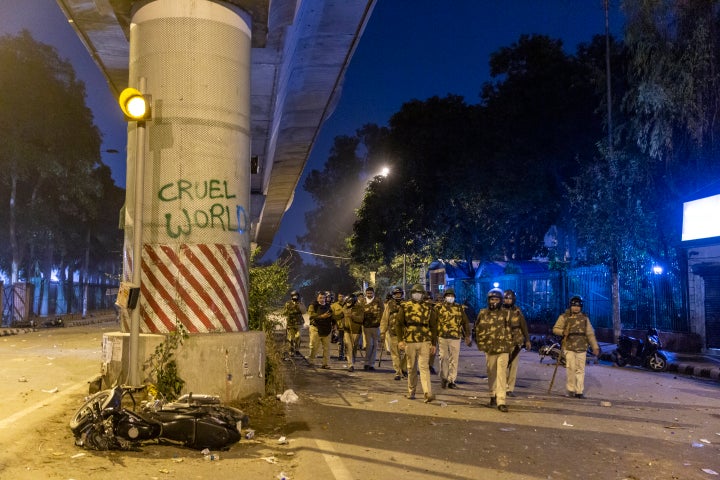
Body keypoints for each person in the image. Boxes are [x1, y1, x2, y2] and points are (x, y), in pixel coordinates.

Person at [395, 283, 438, 403]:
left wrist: (434, 343)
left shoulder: (429, 308)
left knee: (424, 367)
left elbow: (434, 327)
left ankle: (427, 393)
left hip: (425, 341)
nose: (417, 295)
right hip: (409, 341)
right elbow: (398, 324)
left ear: (423, 294)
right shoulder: (405, 306)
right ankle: (411, 391)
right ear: (411, 294)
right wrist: (400, 340)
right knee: (411, 368)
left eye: (419, 293)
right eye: (415, 292)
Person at [552, 296, 600, 398]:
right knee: (570, 368)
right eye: (574, 306)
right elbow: (555, 329)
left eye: (578, 306)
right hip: (569, 347)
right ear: (570, 306)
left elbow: (590, 333)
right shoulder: (564, 317)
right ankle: (570, 389)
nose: (576, 308)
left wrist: (595, 347)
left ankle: (579, 391)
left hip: (582, 348)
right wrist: (562, 332)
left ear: (581, 307)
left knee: (580, 370)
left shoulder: (585, 319)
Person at [474, 288, 513, 412]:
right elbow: (476, 329)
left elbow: (513, 329)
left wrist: (513, 344)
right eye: (492, 299)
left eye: (496, 299)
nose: (494, 302)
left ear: (501, 301)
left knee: (502, 374)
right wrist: (481, 345)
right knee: (491, 373)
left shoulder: (506, 314)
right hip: (490, 349)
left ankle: (501, 400)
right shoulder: (483, 313)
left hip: (503, 348)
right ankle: (492, 394)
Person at [435, 288, 472, 389]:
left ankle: (451, 380)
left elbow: (465, 322)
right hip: (442, 337)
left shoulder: (459, 308)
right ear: (445, 297)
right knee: (443, 358)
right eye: (448, 295)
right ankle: (443, 377)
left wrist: (467, 336)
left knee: (454, 359)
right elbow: (434, 323)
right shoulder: (438, 308)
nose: (450, 297)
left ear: (454, 297)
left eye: (452, 296)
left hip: (455, 337)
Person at [503, 289, 532, 397]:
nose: (508, 300)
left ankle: (510, 388)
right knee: (504, 364)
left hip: (516, 342)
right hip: (503, 341)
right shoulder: (499, 311)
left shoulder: (517, 311)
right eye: (506, 298)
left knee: (513, 366)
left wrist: (527, 340)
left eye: (510, 298)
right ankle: (503, 386)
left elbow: (523, 325)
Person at [380, 286, 407, 380]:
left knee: (407, 354)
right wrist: (382, 331)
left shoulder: (407, 304)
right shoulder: (389, 304)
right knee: (395, 354)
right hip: (393, 333)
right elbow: (384, 318)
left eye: (399, 294)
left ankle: (404, 369)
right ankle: (398, 372)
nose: (398, 295)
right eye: (396, 294)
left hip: (405, 334)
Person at [359, 286, 384, 371]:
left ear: (373, 293)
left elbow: (382, 312)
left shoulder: (378, 301)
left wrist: (382, 324)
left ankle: (371, 364)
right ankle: (366, 363)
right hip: (366, 326)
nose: (369, 294)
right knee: (369, 345)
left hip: (376, 326)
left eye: (371, 293)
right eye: (368, 293)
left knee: (375, 345)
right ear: (366, 293)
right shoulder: (362, 301)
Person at [307, 292, 335, 368]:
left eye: (323, 298)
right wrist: (322, 316)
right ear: (317, 298)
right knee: (314, 347)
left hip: (327, 329)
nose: (322, 299)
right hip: (316, 329)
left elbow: (332, 317)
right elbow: (312, 316)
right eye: (320, 298)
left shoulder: (329, 306)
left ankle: (326, 364)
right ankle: (311, 361)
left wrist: (334, 326)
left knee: (327, 348)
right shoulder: (313, 306)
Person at [342, 292, 365, 372]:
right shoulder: (344, 307)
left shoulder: (360, 308)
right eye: (347, 302)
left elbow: (361, 319)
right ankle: (350, 364)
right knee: (349, 346)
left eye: (350, 302)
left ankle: (353, 360)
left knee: (354, 346)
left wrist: (352, 316)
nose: (348, 304)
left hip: (356, 330)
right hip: (347, 330)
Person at [282, 290, 306, 356]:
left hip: (299, 323)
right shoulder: (288, 303)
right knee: (291, 338)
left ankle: (297, 349)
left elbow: (304, 311)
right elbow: (284, 313)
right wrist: (289, 310)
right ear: (291, 296)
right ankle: (291, 350)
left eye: (296, 296)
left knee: (298, 336)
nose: (295, 297)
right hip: (291, 323)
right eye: (294, 296)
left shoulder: (300, 303)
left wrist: (299, 305)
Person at [330, 293, 346, 361]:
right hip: (339, 326)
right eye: (339, 296)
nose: (341, 298)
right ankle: (340, 354)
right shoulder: (333, 306)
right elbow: (332, 317)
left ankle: (347, 355)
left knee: (347, 342)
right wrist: (334, 326)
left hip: (347, 326)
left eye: (342, 296)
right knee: (340, 341)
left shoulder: (348, 305)